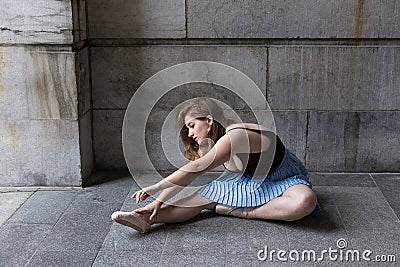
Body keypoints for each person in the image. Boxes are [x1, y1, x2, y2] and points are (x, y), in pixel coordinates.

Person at [112, 97, 320, 233]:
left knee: (305, 201)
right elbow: (189, 174)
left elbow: (195, 169)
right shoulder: (212, 144)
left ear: (209, 120)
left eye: (192, 126)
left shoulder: (235, 135)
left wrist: (155, 187)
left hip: (284, 178)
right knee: (200, 197)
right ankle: (146, 219)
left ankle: (242, 211)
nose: (190, 133)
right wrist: (158, 200)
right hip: (249, 181)